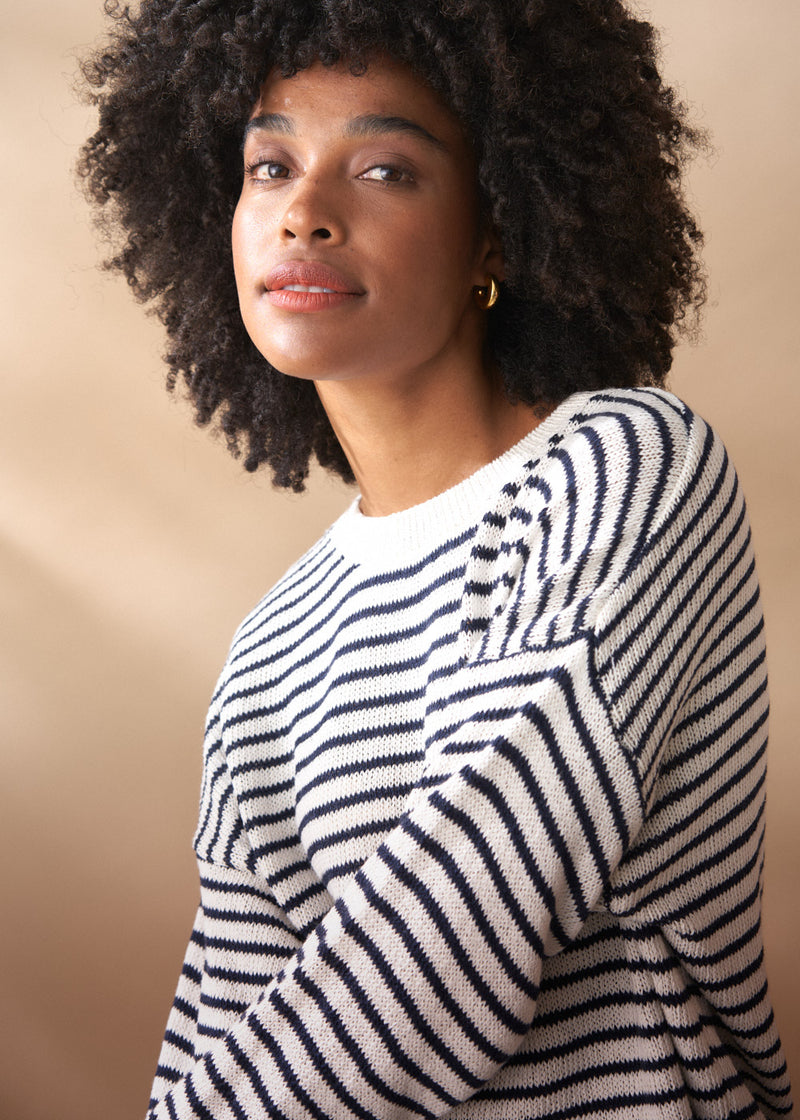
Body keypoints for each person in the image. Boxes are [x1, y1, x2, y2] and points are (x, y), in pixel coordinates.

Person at [80, 1, 793, 1117]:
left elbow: (458, 924)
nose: (303, 214)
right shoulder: (276, 637)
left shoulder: (625, 466)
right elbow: (219, 1013)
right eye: (269, 165)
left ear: (495, 231)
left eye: (382, 170)